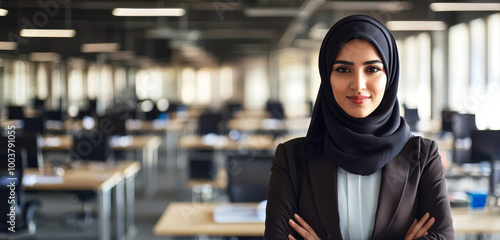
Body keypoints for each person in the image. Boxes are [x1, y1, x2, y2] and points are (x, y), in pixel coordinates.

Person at [264, 15, 454, 240]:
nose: (358, 85)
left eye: (372, 69)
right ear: (327, 76)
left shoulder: (423, 157)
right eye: (343, 70)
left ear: (389, 75)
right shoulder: (291, 159)